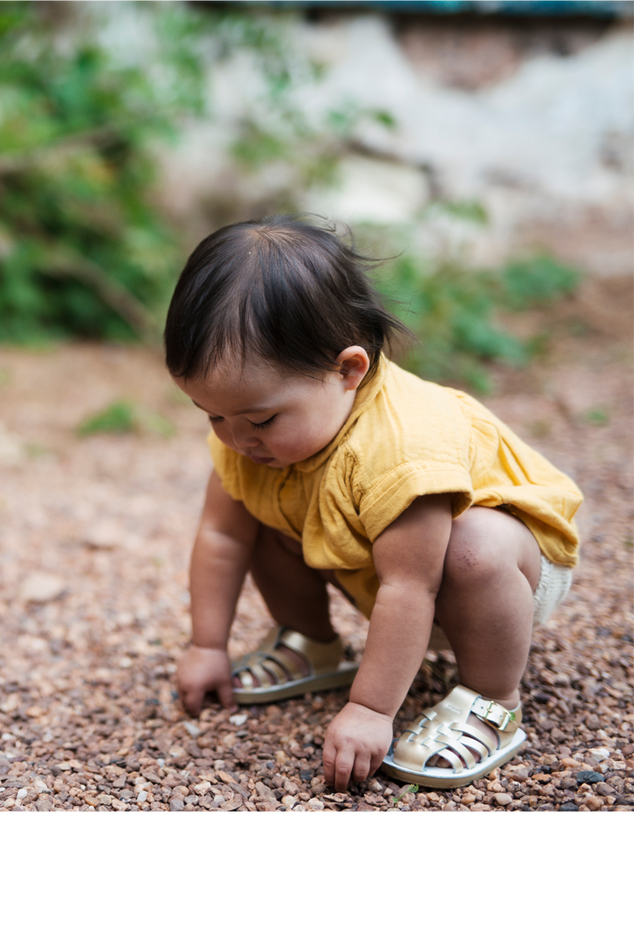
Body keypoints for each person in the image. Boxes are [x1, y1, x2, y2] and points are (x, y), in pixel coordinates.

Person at [165, 216, 581, 791]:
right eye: (212, 414)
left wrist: (371, 709)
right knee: (254, 513)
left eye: (261, 418)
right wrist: (205, 644)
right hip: (383, 569)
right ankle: (310, 640)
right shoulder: (247, 440)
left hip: (501, 571)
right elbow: (222, 537)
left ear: (347, 369)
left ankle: (493, 701)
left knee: (471, 545)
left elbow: (411, 585)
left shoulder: (403, 448)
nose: (236, 438)